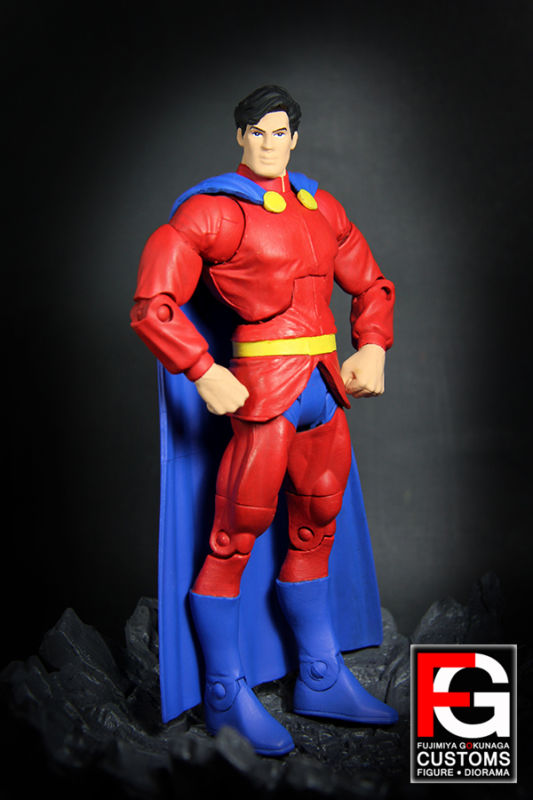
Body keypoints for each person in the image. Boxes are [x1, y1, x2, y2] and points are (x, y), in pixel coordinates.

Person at [131, 85, 397, 756]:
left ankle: (318, 674)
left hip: (321, 387)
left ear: (295, 138)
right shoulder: (214, 211)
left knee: (316, 524)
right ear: (240, 136)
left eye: (280, 133)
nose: (269, 143)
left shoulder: (320, 205)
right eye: (258, 132)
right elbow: (154, 302)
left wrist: (371, 344)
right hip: (263, 390)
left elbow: (370, 282)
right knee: (235, 534)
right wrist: (200, 368)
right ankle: (224, 690)